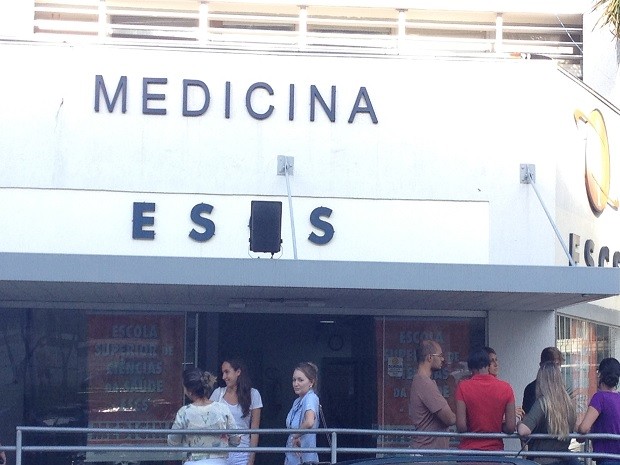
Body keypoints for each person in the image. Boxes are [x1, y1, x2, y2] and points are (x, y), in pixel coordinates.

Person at [168, 367, 241, 465]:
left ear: (189, 391)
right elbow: (236, 440)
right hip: (219, 462)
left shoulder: (184, 412)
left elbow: (173, 441)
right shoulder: (222, 408)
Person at [517, 361, 580, 465]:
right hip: (565, 459)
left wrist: (519, 423)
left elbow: (524, 431)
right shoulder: (569, 403)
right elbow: (577, 428)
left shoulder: (543, 403)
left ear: (542, 381)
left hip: (542, 460)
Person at [456, 349, 516, 451]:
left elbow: (461, 427)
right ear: (488, 365)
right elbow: (510, 427)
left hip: (469, 451)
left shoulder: (463, 387)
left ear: (471, 368)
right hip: (495, 452)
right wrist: (497, 426)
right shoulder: (506, 388)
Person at [210, 359, 263, 465]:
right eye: (223, 373)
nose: (223, 377)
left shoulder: (253, 394)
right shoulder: (218, 393)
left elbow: (254, 430)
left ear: (238, 372)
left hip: (243, 453)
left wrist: (251, 460)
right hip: (220, 452)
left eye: (227, 372)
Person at [409, 339, 456, 449]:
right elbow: (449, 418)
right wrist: (463, 417)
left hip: (427, 452)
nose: (443, 359)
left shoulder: (420, 381)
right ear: (430, 357)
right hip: (427, 454)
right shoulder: (424, 383)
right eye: (440, 355)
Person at [577, 357, 620, 465]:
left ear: (600, 375)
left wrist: (577, 427)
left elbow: (584, 427)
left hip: (607, 457)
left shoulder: (599, 398)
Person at [285, 362, 320, 465]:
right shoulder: (297, 401)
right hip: (292, 456)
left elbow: (309, 422)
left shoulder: (310, 398)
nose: (296, 384)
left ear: (311, 382)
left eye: (300, 380)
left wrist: (295, 436)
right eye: (294, 380)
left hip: (304, 458)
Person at [523, 347, 564, 414]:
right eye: (552, 365)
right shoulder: (531, 389)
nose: (555, 369)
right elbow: (527, 418)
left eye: (557, 365)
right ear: (542, 366)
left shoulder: (562, 388)